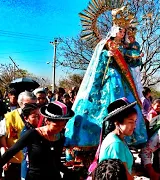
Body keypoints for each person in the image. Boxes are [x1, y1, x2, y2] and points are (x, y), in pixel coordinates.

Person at [64, 21, 147, 149]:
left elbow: (128, 57)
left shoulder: (124, 46)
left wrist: (137, 56)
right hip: (109, 75)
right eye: (120, 30)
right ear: (114, 30)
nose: (122, 33)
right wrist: (107, 55)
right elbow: (99, 57)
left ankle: (129, 135)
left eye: (124, 31)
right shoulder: (106, 43)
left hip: (122, 77)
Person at [0, 101, 77, 180]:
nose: (60, 128)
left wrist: (69, 172)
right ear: (47, 121)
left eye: (63, 125)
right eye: (56, 125)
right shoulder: (32, 134)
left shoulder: (60, 138)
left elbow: (56, 162)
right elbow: (10, 152)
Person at [0, 91, 37, 180]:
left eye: (34, 104)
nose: (31, 107)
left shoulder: (38, 117)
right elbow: (2, 140)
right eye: (27, 104)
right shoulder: (9, 117)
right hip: (14, 162)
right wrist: (5, 159)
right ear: (20, 103)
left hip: (33, 163)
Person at [98, 98, 137, 180]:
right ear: (117, 123)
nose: (134, 126)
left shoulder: (119, 139)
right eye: (130, 122)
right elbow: (123, 176)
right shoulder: (116, 144)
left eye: (135, 121)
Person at [20, 103, 40, 180]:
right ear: (26, 118)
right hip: (28, 171)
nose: (37, 119)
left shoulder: (37, 130)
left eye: (38, 116)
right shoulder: (27, 133)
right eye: (34, 117)